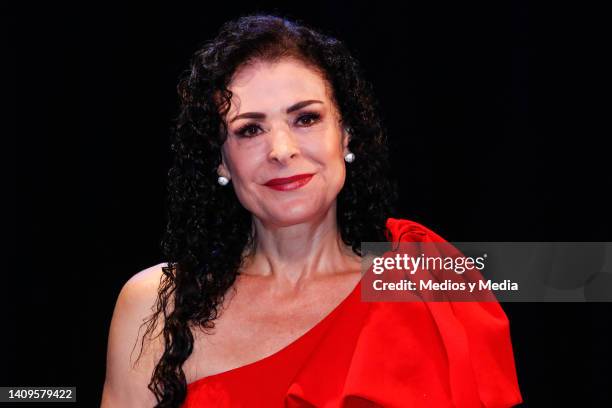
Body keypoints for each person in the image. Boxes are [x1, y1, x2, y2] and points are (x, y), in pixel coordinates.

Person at [101, 14, 522, 408]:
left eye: (305, 119)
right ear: (221, 162)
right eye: (250, 129)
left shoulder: (428, 283)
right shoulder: (156, 304)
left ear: (346, 134)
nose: (282, 150)